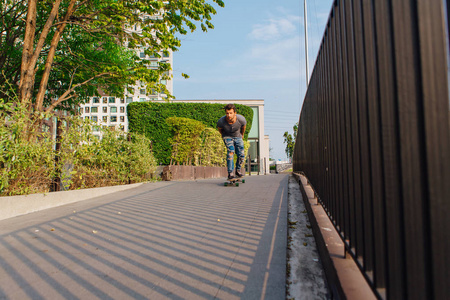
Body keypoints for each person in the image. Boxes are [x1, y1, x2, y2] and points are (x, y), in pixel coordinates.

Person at [217, 104, 247, 179]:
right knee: (231, 152)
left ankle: (238, 171)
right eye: (227, 113)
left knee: (241, 155)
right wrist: (223, 136)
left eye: (231, 113)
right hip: (227, 136)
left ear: (235, 113)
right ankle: (230, 173)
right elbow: (220, 129)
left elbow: (243, 127)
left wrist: (242, 134)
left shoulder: (241, 119)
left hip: (238, 136)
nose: (229, 115)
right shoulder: (221, 121)